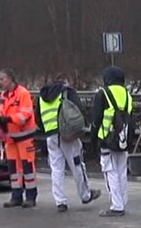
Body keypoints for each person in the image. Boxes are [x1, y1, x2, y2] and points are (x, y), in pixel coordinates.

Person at [38, 73, 101, 212]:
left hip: (51, 136)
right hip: (68, 136)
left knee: (56, 169)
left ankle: (60, 201)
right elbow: (79, 110)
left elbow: (38, 118)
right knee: (77, 165)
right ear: (66, 81)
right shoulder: (67, 92)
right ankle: (85, 195)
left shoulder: (42, 96)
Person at [91, 65, 133, 217]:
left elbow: (96, 120)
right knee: (122, 171)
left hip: (106, 139)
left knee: (110, 171)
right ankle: (122, 201)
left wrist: (93, 141)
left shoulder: (103, 93)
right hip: (123, 139)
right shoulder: (127, 94)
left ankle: (116, 206)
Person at [0, 68, 40, 208]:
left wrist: (8, 119)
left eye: (2, 79)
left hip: (24, 136)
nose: (0, 82)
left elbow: (25, 115)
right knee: (14, 169)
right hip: (11, 137)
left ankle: (31, 196)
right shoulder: (5, 95)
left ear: (10, 79)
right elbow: (1, 110)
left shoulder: (23, 93)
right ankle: (16, 196)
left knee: (27, 167)